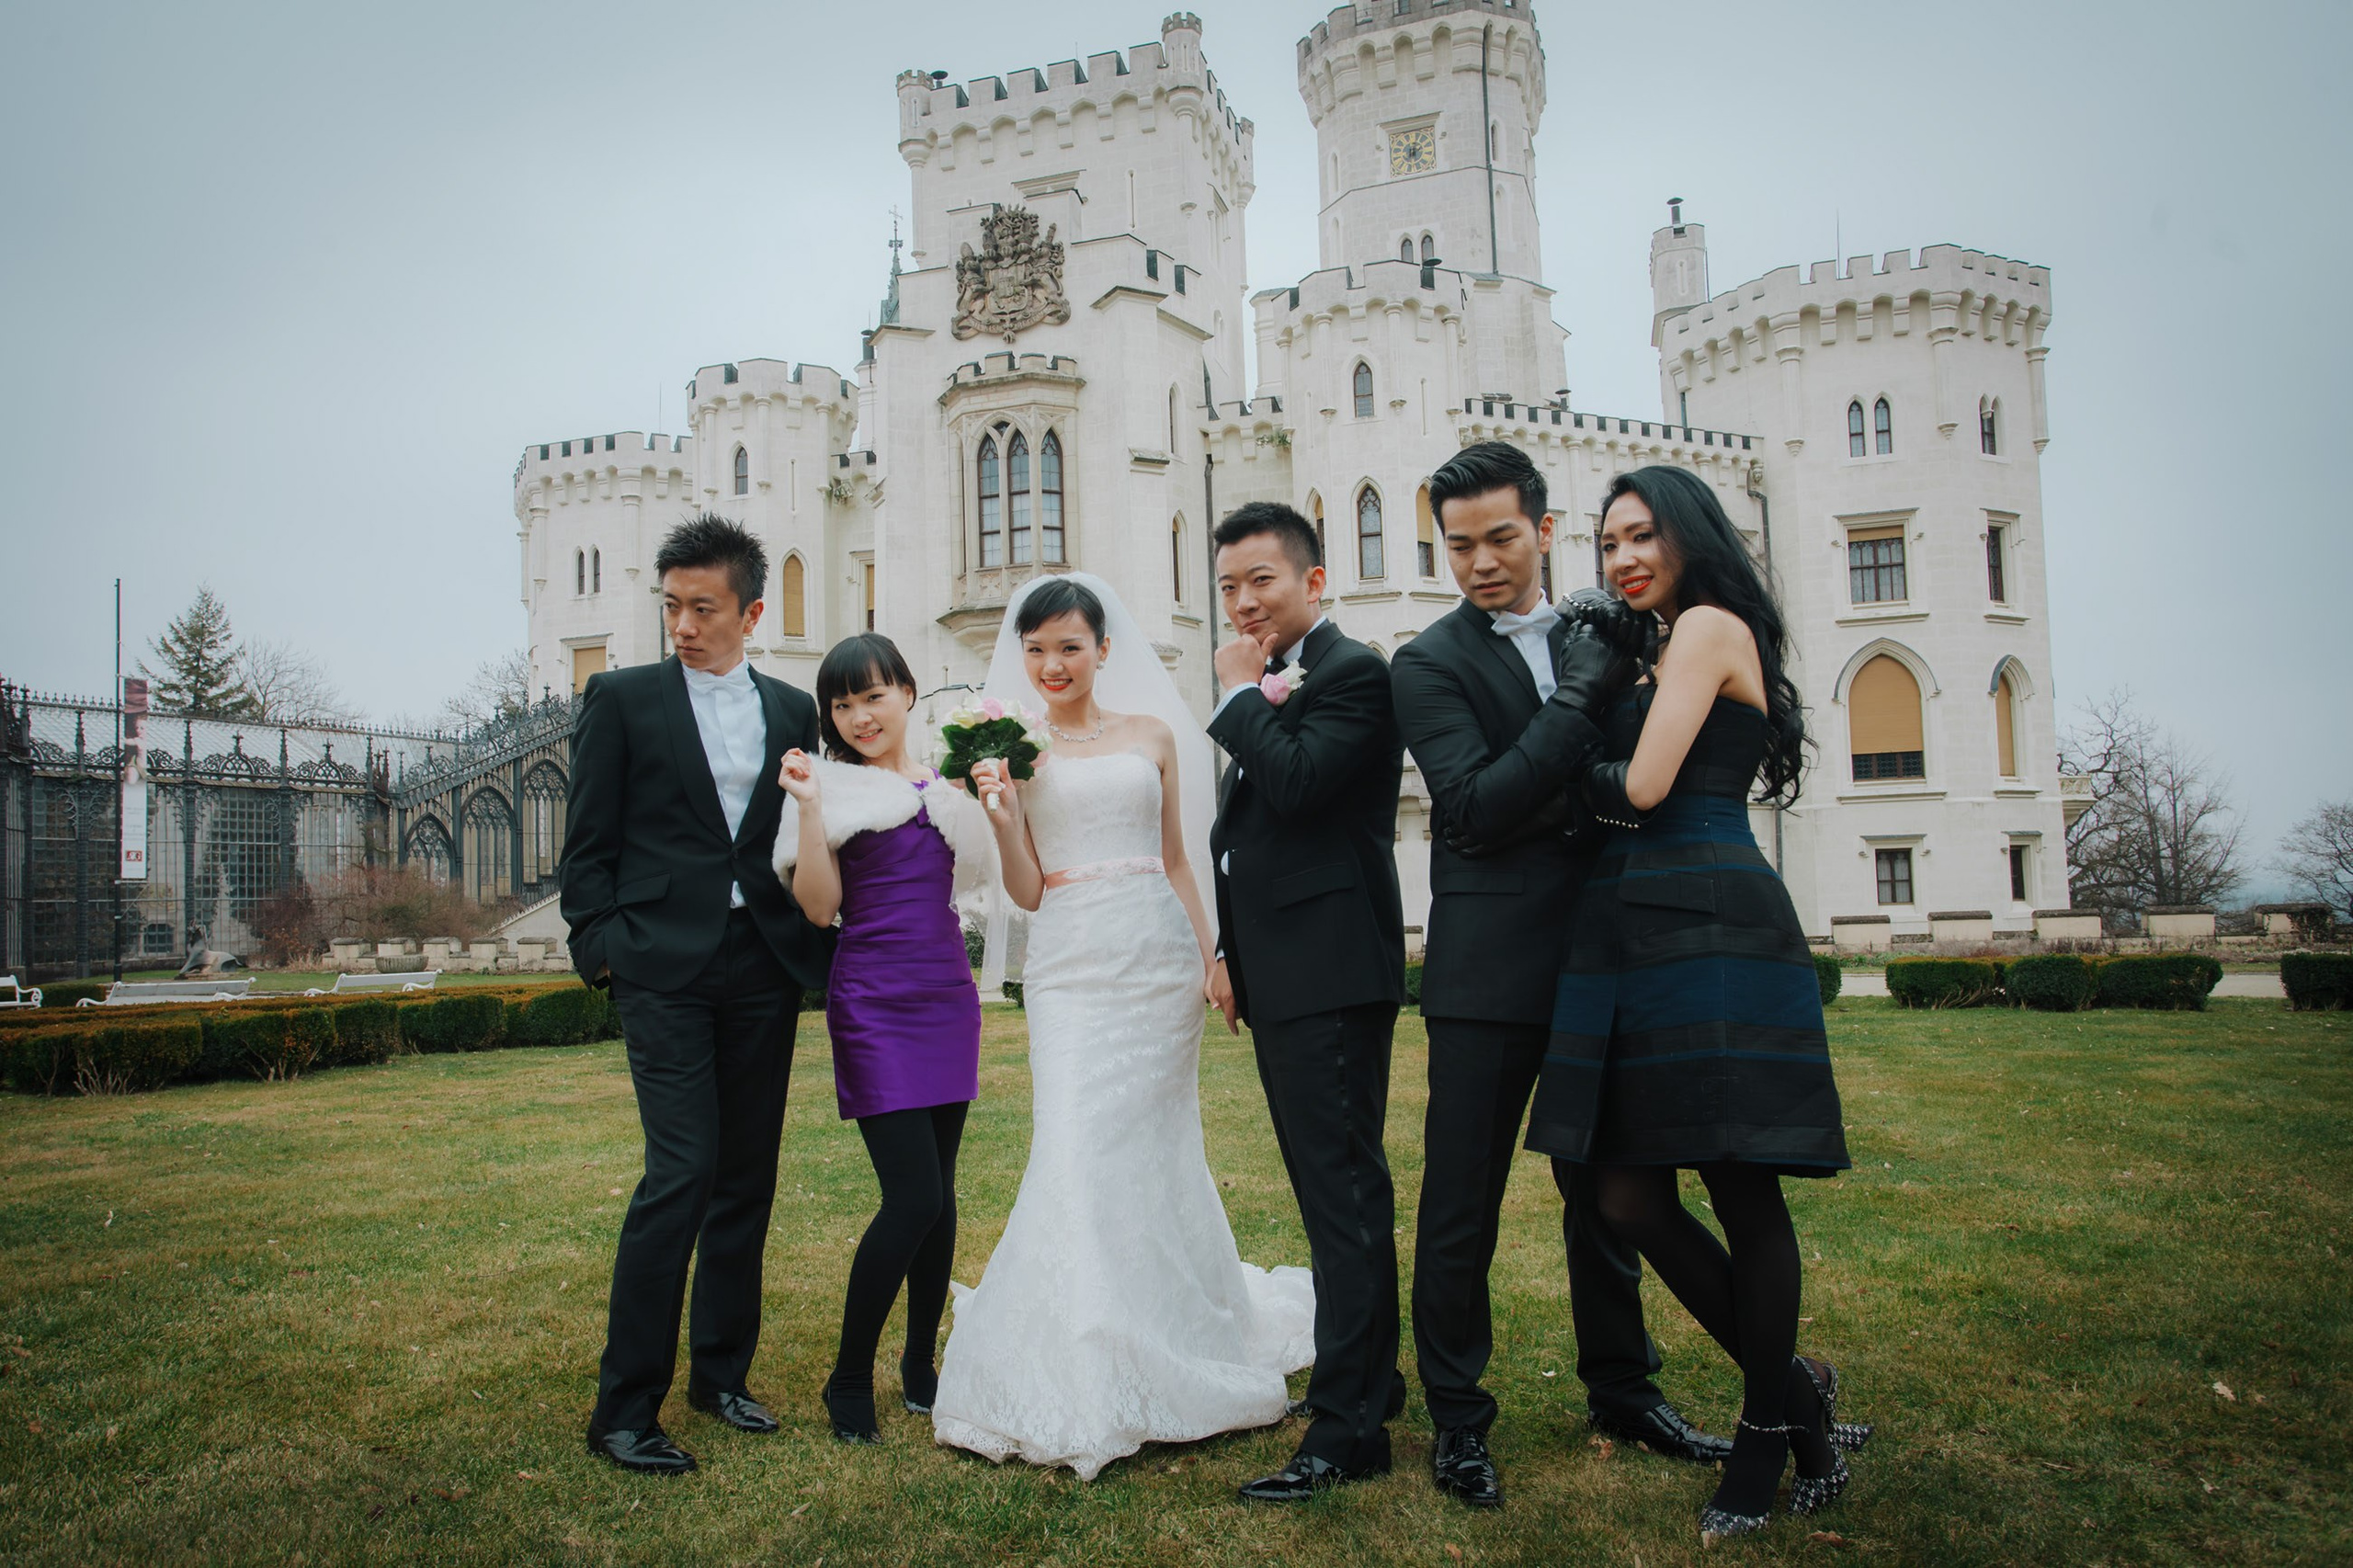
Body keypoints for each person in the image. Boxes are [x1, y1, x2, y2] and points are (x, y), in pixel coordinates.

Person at [1525, 465, 1866, 1544]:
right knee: (1622, 1193)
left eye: (1640, 537)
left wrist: (1554, 755)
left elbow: (1639, 788)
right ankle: (1798, 1393)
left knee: (1741, 1184)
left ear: (1687, 536)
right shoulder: (1655, 640)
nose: (1621, 558)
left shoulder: (1711, 625)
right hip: (1630, 921)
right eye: (1607, 542)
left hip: (1710, 916)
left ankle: (1767, 1427)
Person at [1390, 441, 1731, 1511]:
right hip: (1488, 969)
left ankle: (1623, 1390)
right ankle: (1456, 1421)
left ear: (1543, 529)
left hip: (1610, 953)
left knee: (1611, 1195)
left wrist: (1582, 725)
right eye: (1457, 544)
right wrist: (1579, 703)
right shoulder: (1427, 661)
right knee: (1461, 1206)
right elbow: (1472, 809)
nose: (1480, 562)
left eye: (1499, 537)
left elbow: (1635, 786)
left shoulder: (1619, 631)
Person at [929, 574, 1314, 1482]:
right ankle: (1084, 1346)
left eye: (1068, 644)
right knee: (1070, 1144)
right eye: (1034, 648)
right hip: (1069, 966)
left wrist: (1212, 956)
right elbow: (1023, 889)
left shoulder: (1151, 735)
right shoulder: (1012, 751)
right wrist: (1001, 811)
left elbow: (1180, 857)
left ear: (1104, 648)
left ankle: (1175, 1320)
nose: (1051, 663)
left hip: (1157, 957)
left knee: (1156, 1148)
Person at [561, 513, 835, 1476]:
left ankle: (720, 1375)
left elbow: (807, 834)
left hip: (759, 959)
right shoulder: (622, 698)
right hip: (659, 964)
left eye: (703, 607)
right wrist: (601, 949)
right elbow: (585, 846)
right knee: (679, 1172)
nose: (682, 623)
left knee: (745, 1176)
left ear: (751, 611)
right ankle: (624, 1409)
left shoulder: (792, 709)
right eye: (671, 605)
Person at [1204, 504, 1409, 1502]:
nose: (1243, 603)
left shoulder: (1354, 672)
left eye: (1261, 582)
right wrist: (1230, 948)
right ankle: (1371, 1382)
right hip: (1285, 971)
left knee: (1342, 1195)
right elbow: (1254, 838)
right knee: (1334, 1188)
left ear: (1313, 581)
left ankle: (1348, 1427)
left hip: (1331, 972)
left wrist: (1241, 694)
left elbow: (1295, 785)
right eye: (1229, 586)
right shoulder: (1285, 677)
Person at [773, 633, 990, 1444]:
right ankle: (846, 1378)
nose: (860, 715)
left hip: (946, 999)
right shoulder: (826, 788)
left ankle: (919, 1365)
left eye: (873, 696)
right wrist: (808, 808)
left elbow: (973, 880)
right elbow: (820, 909)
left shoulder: (945, 791)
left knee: (942, 1197)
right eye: (842, 704)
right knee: (914, 1197)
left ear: (906, 691)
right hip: (872, 1003)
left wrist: (991, 794)